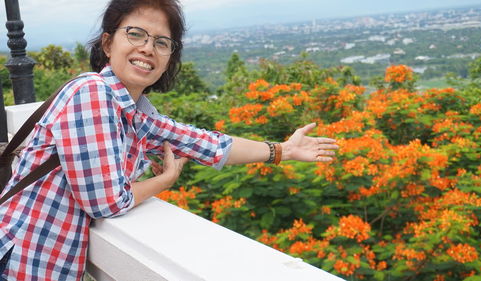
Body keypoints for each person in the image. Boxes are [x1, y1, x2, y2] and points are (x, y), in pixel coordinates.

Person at [0, 0, 337, 280]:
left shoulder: (137, 114)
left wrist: (282, 150)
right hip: (20, 260)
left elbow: (207, 143)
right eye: (135, 34)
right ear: (107, 44)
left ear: (169, 58)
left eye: (162, 42)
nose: (148, 48)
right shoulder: (91, 93)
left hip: (46, 263)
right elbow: (107, 202)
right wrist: (166, 180)